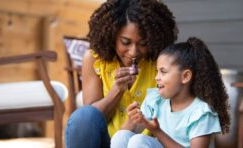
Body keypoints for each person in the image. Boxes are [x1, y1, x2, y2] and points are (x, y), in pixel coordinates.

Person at [65, 0, 178, 147]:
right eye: (125, 42)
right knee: (83, 116)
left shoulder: (162, 61)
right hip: (106, 142)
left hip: (146, 143)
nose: (134, 52)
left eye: (143, 44)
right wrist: (116, 91)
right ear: (112, 36)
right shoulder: (94, 60)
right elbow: (91, 121)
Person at [111, 37, 230, 148]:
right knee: (121, 136)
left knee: (139, 141)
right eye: (157, 71)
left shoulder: (201, 113)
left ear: (185, 76)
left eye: (163, 72)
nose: (157, 77)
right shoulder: (156, 100)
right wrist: (133, 118)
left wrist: (157, 131)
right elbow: (125, 135)